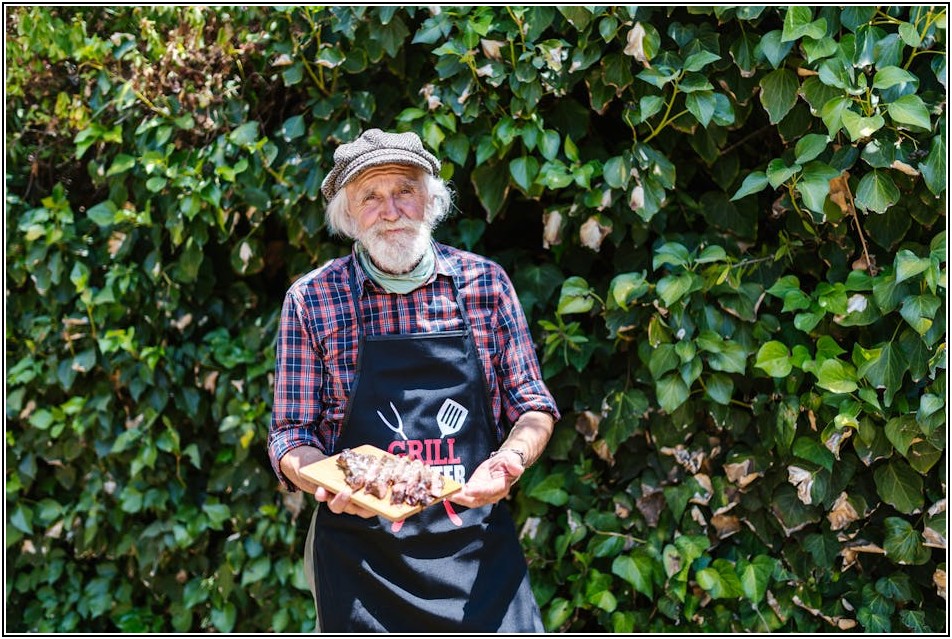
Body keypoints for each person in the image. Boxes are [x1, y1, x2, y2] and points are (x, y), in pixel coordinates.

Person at [268, 128, 561, 633]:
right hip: (362, 563)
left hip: (475, 554)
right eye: (371, 197)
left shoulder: (484, 285)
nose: (390, 209)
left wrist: (510, 462)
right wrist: (324, 479)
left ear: (430, 200)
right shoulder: (312, 299)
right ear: (348, 216)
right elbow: (290, 434)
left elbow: (532, 405)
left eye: (404, 190)